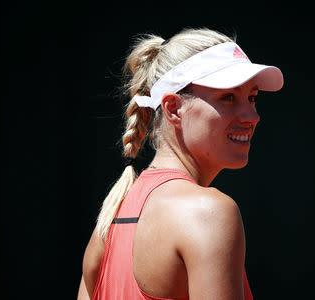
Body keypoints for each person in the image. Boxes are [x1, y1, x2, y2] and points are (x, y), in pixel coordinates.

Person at [77, 28, 283, 300]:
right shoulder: (209, 212)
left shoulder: (108, 223)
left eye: (252, 98)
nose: (251, 116)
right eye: (228, 97)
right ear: (173, 108)